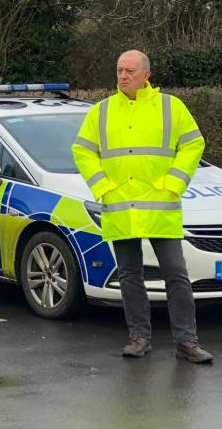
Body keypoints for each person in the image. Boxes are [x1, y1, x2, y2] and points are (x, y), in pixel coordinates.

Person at [72, 50, 212, 363]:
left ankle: (187, 341)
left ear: (146, 75)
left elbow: (193, 144)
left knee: (176, 274)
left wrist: (175, 184)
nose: (122, 76)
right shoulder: (102, 110)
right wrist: (103, 186)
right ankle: (138, 337)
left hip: (161, 207)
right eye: (119, 70)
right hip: (121, 207)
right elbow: (82, 150)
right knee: (129, 275)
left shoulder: (171, 107)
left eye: (130, 71)